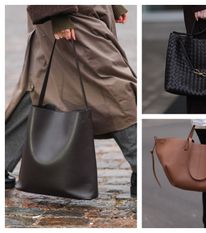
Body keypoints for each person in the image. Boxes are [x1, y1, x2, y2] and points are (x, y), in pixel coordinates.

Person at [5, 5, 137, 197]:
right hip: (68, 19)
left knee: (41, 87)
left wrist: (112, 6)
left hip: (77, 15)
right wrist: (56, 13)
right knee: (115, 92)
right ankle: (139, 165)